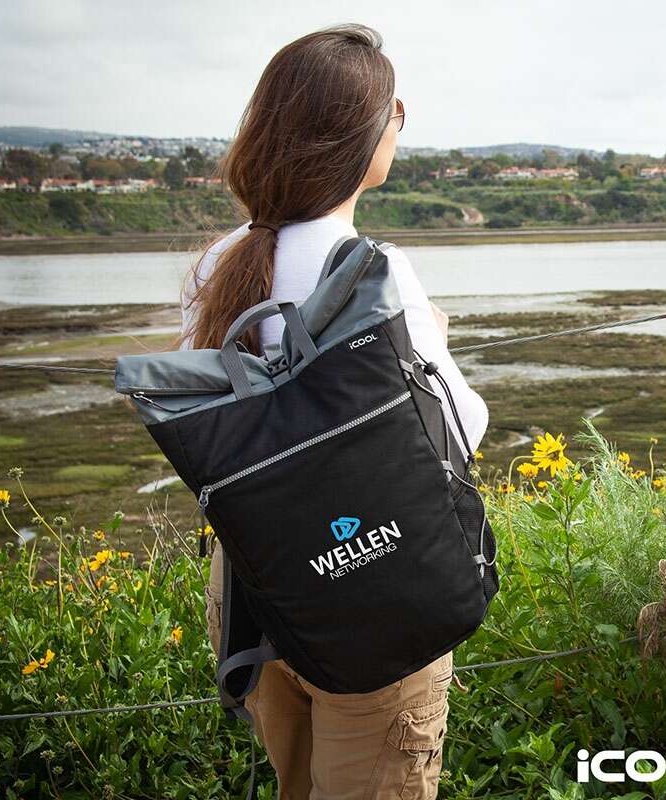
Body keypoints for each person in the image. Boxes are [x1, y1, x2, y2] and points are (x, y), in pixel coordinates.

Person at [178, 23, 489, 800]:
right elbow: (459, 432)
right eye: (395, 110)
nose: (399, 124)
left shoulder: (221, 262)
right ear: (357, 134)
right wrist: (434, 344)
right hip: (371, 583)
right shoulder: (374, 271)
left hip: (257, 590)